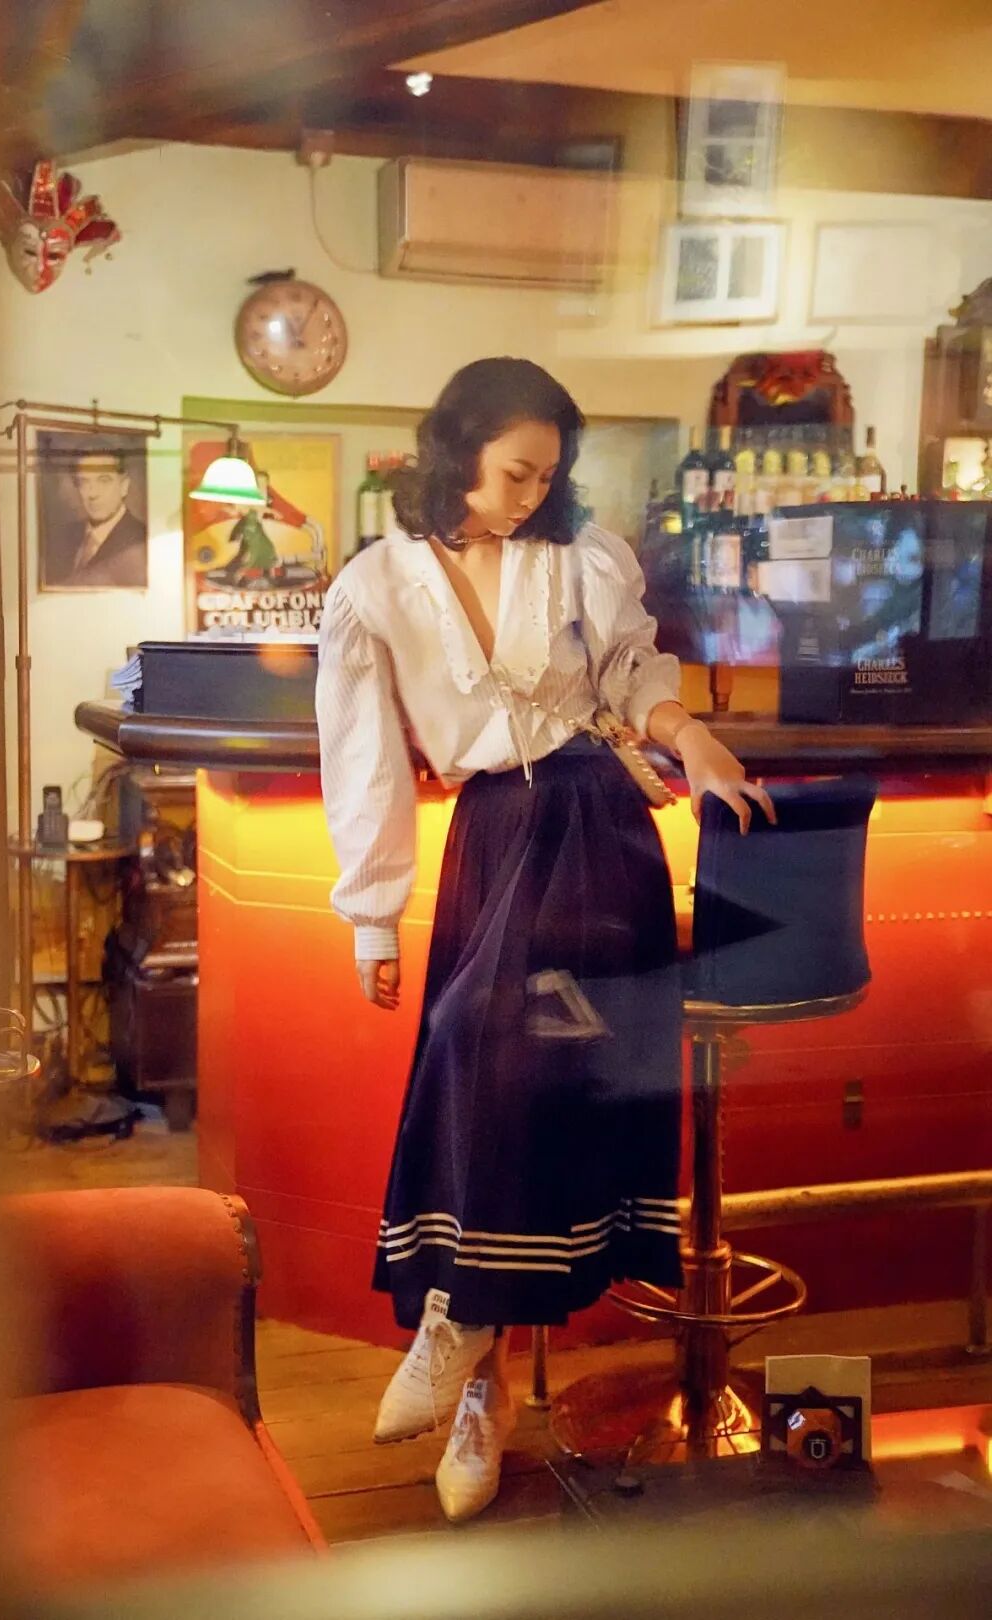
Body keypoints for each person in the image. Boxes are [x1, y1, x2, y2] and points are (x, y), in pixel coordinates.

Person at [315, 358, 774, 1523]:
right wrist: (371, 912)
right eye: (516, 472)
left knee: (525, 1071)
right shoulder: (374, 586)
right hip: (494, 836)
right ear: (456, 449)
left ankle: (461, 1329)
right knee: (484, 1063)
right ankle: (478, 1374)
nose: (532, 495)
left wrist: (692, 738)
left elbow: (630, 672)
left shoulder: (583, 557)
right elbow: (361, 756)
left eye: (546, 477)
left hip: (598, 829)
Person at [48, 449, 147, 588]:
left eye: (104, 481)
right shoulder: (61, 537)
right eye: (84, 482)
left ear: (124, 486)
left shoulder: (143, 539)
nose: (93, 493)